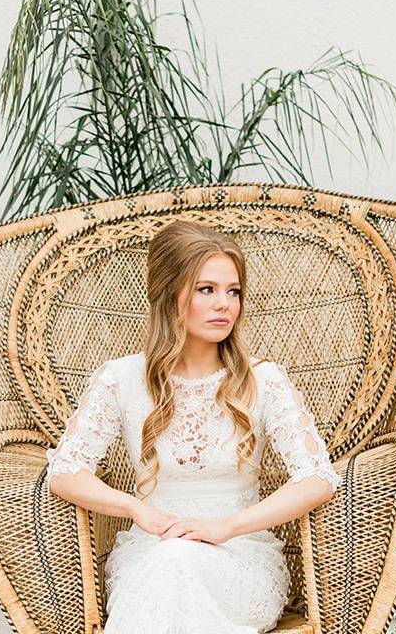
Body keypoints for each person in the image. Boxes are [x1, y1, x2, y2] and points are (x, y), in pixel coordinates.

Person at [45, 219, 343, 633]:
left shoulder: (264, 380)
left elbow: (317, 480)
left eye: (233, 291)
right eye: (207, 290)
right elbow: (65, 473)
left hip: (239, 557)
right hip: (151, 556)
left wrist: (224, 528)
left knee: (177, 564)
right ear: (170, 295)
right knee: (170, 562)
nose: (225, 304)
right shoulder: (121, 379)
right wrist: (137, 509)